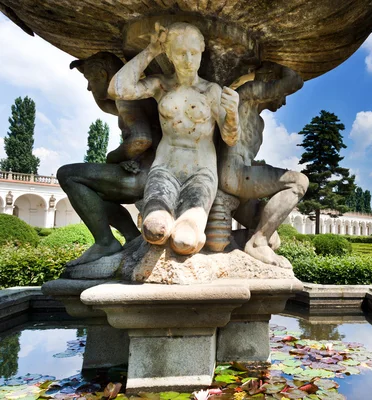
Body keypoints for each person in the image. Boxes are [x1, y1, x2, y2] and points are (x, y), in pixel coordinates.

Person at [108, 22, 240, 255]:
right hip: (164, 169)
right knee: (154, 230)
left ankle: (193, 231)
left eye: (193, 53)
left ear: (201, 51)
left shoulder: (212, 91)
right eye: (180, 53)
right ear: (169, 55)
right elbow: (118, 89)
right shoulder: (162, 85)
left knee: (184, 240)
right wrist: (151, 50)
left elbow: (230, 138)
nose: (188, 60)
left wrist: (233, 114)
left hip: (201, 172)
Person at [58, 52, 160, 267]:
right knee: (94, 193)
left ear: (104, 75)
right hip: (150, 170)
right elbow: (108, 107)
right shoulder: (135, 97)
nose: (88, 87)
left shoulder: (126, 95)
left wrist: (111, 158)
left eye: (90, 80)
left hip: (147, 176)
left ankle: (105, 242)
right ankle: (132, 236)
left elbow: (141, 139)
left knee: (68, 175)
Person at [219, 62, 308, 268]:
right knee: (298, 182)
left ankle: (240, 244)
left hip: (241, 180)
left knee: (273, 235)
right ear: (269, 82)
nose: (284, 101)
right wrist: (287, 60)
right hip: (233, 174)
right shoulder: (247, 93)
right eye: (282, 95)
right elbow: (294, 81)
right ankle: (257, 243)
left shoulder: (258, 121)